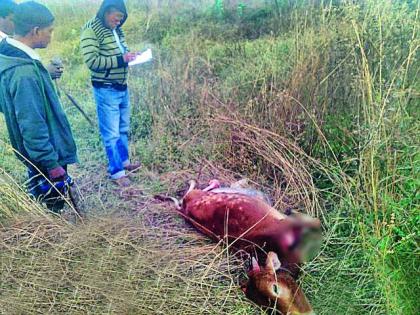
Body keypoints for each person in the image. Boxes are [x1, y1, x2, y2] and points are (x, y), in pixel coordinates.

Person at [0, 1, 78, 212]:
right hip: (45, 154)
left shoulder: (16, 59)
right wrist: (51, 163)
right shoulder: (24, 73)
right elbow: (32, 125)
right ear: (35, 31)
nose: (51, 36)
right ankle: (55, 230)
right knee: (52, 202)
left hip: (41, 152)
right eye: (49, 31)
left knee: (47, 196)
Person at [81, 0, 140, 187]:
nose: (118, 22)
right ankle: (117, 173)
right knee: (112, 134)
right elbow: (92, 61)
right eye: (117, 18)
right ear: (107, 12)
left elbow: (121, 50)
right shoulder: (91, 29)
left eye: (121, 19)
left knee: (123, 128)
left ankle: (124, 162)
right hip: (106, 88)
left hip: (122, 86)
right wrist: (121, 59)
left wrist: (130, 55)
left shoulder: (116, 29)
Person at [0, 0, 63, 79]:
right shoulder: (24, 71)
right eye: (50, 31)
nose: (16, 25)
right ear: (36, 31)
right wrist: (41, 74)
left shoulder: (8, 46)